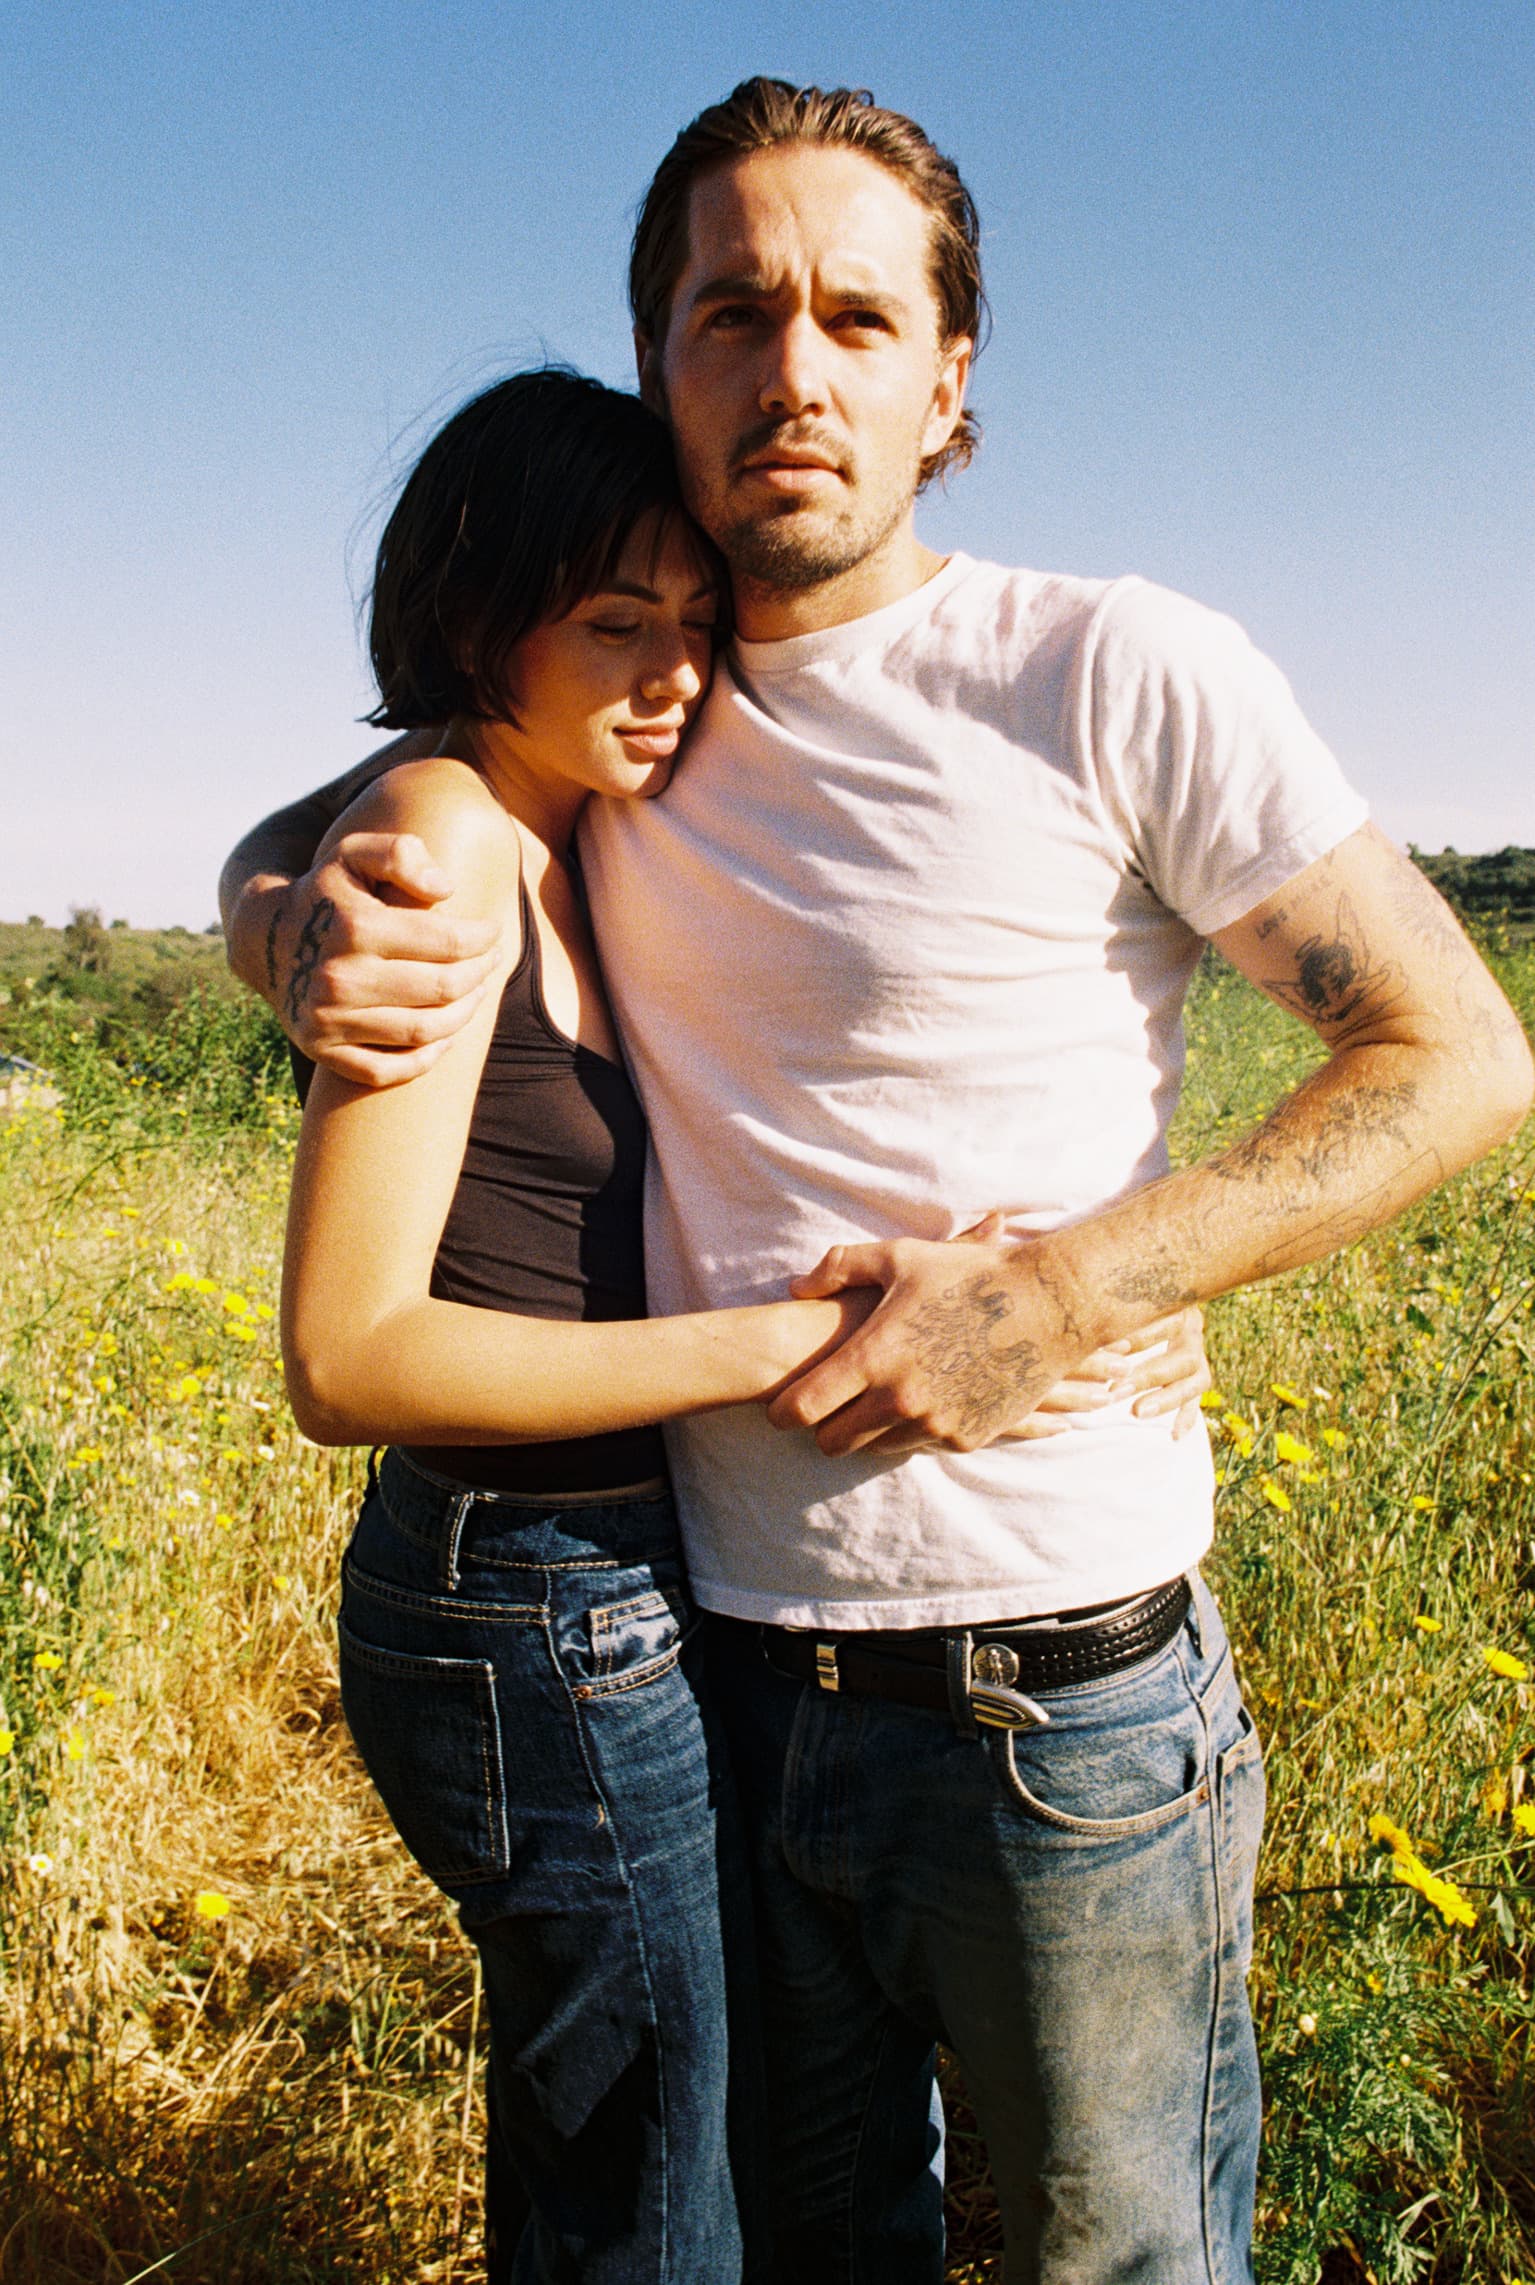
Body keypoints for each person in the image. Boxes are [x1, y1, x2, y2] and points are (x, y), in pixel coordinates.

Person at [225, 80, 1533, 2285]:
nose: (793, 367)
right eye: (735, 311)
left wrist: (1076, 1290)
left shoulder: (1113, 667)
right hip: (714, 1672)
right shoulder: (632, 685)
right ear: (662, 359)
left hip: (1061, 1703)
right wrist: (281, 907)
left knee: (1120, 2258)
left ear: (950, 385)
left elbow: (1457, 1051)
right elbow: (393, 809)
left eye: (857, 315)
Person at [279, 361, 1211, 2285]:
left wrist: (1095, 1288)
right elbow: (348, 1354)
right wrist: (817, 1333)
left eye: (694, 626)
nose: (674, 676)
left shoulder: (580, 825)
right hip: (524, 1583)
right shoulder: (449, 841)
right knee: (663, 2188)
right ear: (475, 611)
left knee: (630, 2140)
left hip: (616, 1570)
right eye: (615, 623)